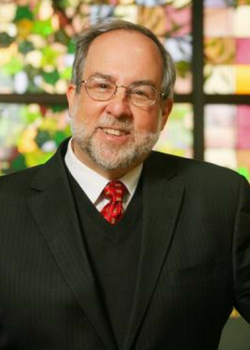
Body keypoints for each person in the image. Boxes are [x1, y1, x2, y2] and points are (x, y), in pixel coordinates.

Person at [0, 19, 250, 350]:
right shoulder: (4, 207)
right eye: (102, 86)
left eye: (141, 92)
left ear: (164, 113)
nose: (118, 108)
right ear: (73, 98)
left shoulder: (223, 199)